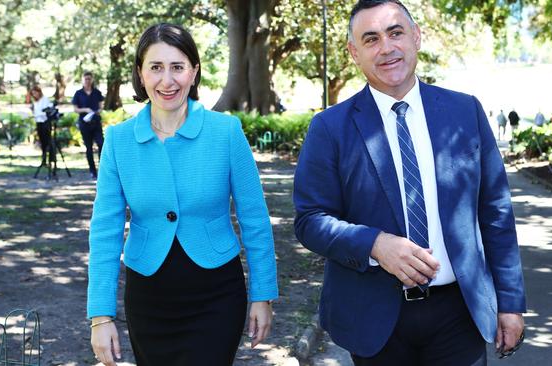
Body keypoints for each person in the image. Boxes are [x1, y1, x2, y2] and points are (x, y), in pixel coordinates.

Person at [293, 1, 526, 365]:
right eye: (371, 39)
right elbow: (310, 219)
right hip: (375, 319)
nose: (386, 48)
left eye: (395, 32)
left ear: (416, 37)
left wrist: (510, 302)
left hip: (459, 314)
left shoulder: (465, 112)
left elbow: (495, 211)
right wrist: (375, 245)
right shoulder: (329, 128)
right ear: (355, 53)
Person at [87, 23, 278, 366]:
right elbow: (105, 231)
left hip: (217, 295)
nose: (167, 80)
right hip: (149, 298)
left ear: (194, 72)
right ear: (140, 75)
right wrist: (101, 316)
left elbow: (254, 218)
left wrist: (263, 294)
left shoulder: (227, 132)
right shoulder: (119, 140)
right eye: (156, 68)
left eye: (177, 67)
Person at [72, 71, 104, 178]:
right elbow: (75, 109)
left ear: (92, 79)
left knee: (101, 144)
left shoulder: (97, 92)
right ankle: (92, 171)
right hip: (84, 123)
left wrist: (97, 111)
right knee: (89, 148)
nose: (87, 81)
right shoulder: (78, 93)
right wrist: (85, 110)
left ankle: (102, 169)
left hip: (96, 122)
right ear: (82, 80)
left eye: (89, 79)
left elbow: (101, 106)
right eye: (86, 79)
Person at [29, 85, 55, 165]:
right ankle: (44, 159)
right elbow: (36, 112)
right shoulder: (35, 101)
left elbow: (46, 111)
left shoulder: (45, 99)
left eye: (35, 93)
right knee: (42, 141)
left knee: (48, 141)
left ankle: (51, 160)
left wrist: (38, 114)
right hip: (39, 122)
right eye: (33, 94)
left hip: (45, 122)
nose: (34, 95)